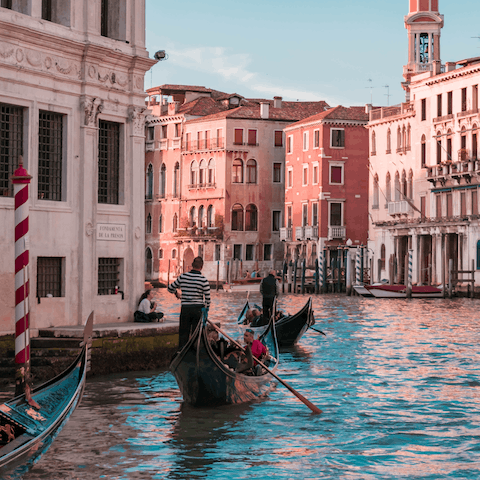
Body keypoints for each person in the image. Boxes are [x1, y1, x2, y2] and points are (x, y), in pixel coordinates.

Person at [168, 256, 211, 349]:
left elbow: (170, 288)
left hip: (186, 308)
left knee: (184, 333)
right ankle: (194, 353)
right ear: (201, 267)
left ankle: (182, 352)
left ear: (192, 265)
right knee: (196, 334)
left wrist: (176, 293)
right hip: (198, 309)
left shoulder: (182, 277)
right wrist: (206, 314)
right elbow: (208, 300)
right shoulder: (203, 280)